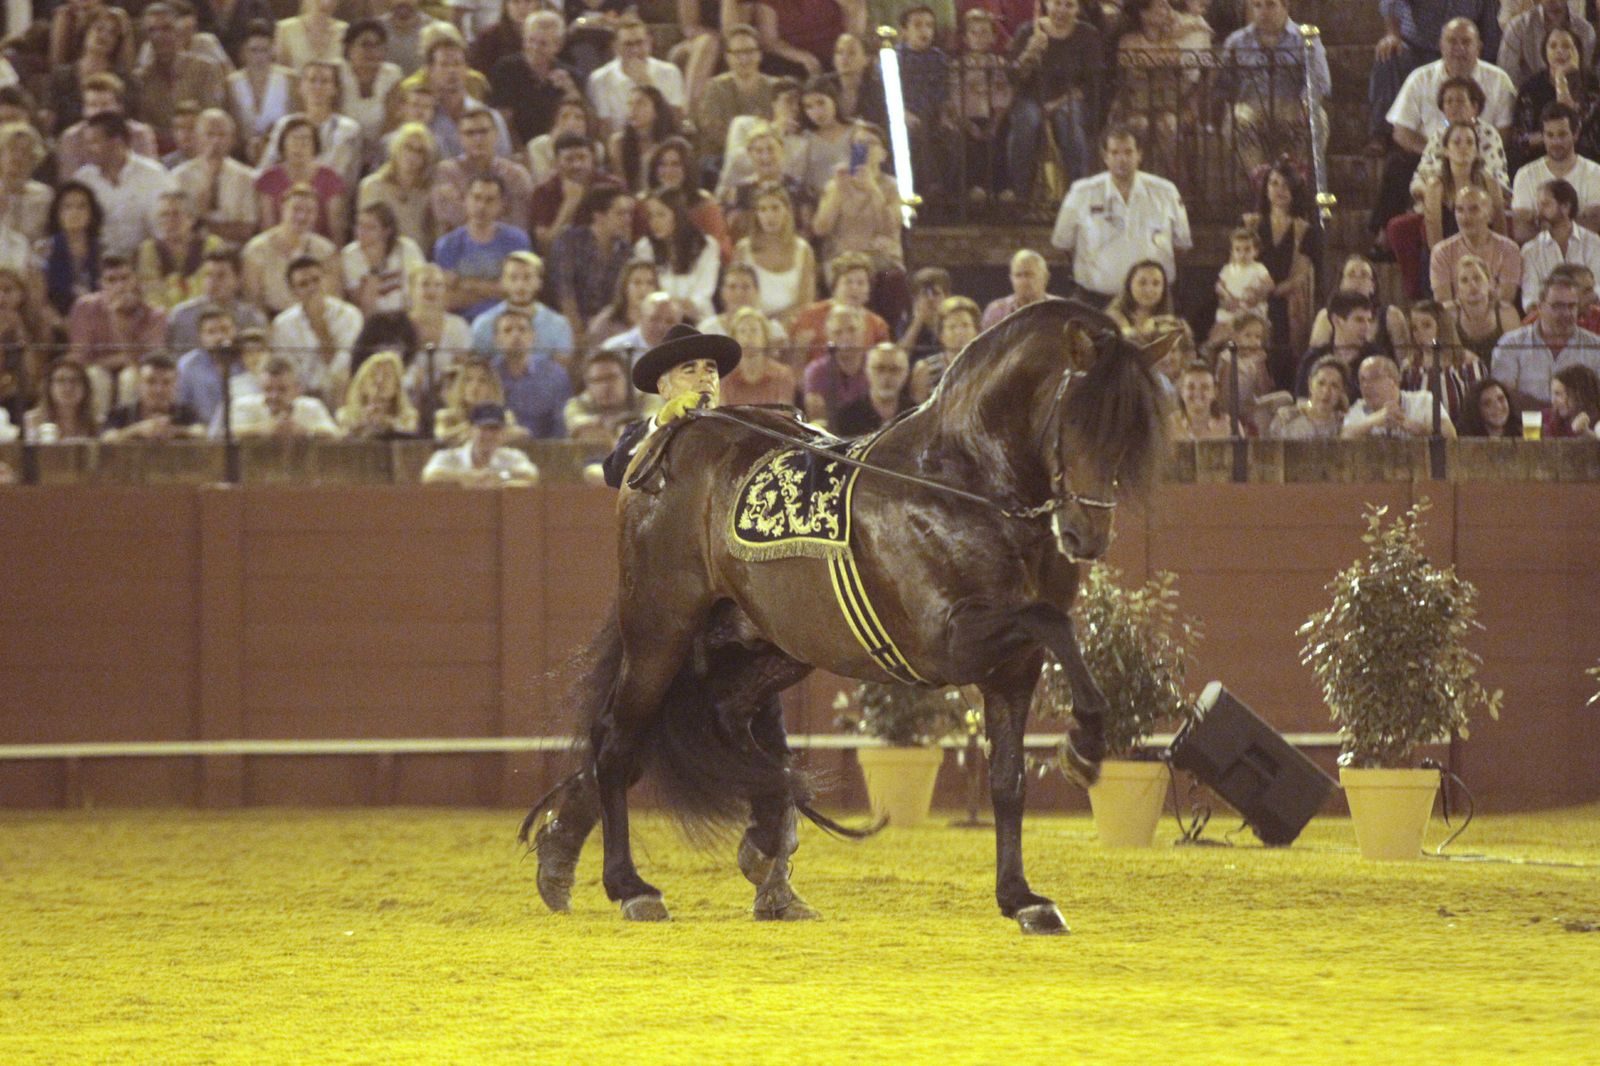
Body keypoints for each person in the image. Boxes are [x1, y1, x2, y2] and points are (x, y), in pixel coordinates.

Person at [1051, 126, 1193, 305]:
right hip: (1095, 301)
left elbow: (1181, 245)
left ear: (1139, 154)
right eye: (1115, 152)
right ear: (1105, 157)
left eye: (1128, 152)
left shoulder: (1165, 192)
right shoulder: (1082, 193)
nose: (1122, 159)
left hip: (1152, 304)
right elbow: (1064, 244)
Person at [601, 322, 741, 488]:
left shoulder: (739, 430)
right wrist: (660, 422)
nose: (705, 377)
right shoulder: (644, 432)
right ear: (664, 388)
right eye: (690, 371)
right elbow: (617, 474)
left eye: (711, 370)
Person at [1218, 0, 1331, 176]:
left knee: (1318, 120)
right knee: (1236, 121)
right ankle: (1260, 179)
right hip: (1251, 104)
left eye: (1270, 5)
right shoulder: (1237, 41)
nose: (1263, 12)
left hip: (1292, 103)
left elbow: (1320, 79)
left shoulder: (1306, 37)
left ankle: (1294, 178)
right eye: (1257, 5)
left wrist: (1307, 102)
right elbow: (1224, 83)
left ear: (1286, 5)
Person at [1005, 0, 1102, 202]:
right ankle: (1022, 195)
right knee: (1026, 122)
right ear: (1047, 4)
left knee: (1070, 124)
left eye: (1069, 5)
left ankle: (1078, 196)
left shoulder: (1087, 34)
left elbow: (1091, 83)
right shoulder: (1028, 30)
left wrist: (1056, 104)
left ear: (1078, 9)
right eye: (1057, 3)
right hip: (1031, 98)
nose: (1062, 10)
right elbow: (1013, 77)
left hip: (1068, 98)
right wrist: (1029, 53)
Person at [74, 111, 176, 259]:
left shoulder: (153, 176)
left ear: (117, 142)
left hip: (145, 263)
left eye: (94, 142)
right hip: (94, 263)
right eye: (87, 143)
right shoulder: (84, 179)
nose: (88, 149)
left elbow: (164, 228)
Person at [1491, 272, 1600, 405]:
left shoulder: (1595, 347)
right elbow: (1503, 395)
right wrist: (1551, 415)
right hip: (1525, 423)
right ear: (1540, 307)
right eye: (1557, 306)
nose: (1566, 313)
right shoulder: (1510, 344)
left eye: (1571, 306)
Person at [434, 175, 532, 321]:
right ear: (466, 200)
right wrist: (498, 289)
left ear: (501, 204)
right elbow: (447, 300)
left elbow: (522, 291)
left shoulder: (517, 241)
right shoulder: (447, 245)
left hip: (509, 322)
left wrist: (467, 284)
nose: (481, 206)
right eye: (476, 198)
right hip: (464, 324)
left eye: (490, 200)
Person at [269, 255, 364, 406]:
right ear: (293, 291)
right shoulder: (283, 324)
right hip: (301, 397)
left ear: (326, 280)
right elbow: (288, 371)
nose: (312, 287)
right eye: (303, 284)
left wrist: (320, 325)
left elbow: (343, 366)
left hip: (342, 393)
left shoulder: (349, 315)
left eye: (316, 280)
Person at [549, 186, 639, 343]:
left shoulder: (626, 251)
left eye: (629, 214)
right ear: (599, 216)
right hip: (568, 324)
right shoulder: (570, 241)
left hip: (606, 327)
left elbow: (620, 300)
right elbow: (565, 290)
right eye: (620, 213)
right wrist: (579, 332)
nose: (628, 220)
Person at [432, 109, 535, 236]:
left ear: (496, 134)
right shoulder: (446, 172)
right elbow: (447, 219)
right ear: (460, 138)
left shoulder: (515, 175)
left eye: (484, 131)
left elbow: (519, 225)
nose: (478, 139)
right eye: (470, 133)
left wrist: (464, 206)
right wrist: (499, 211)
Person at [241, 184, 338, 317]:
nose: (302, 216)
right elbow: (254, 298)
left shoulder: (325, 250)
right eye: (296, 209)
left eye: (310, 211)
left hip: (314, 317)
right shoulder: (257, 249)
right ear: (283, 209)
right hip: (272, 318)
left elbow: (332, 296)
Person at [1508, 24, 1600, 164]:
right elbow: (1519, 138)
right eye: (1553, 46)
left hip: (1586, 157)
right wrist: (1550, 139)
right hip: (1539, 158)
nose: (1559, 51)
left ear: (1578, 52)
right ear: (1545, 53)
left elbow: (1573, 124)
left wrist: (1560, 79)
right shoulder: (1531, 87)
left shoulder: (1592, 84)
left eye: (1566, 46)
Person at [489, 8, 582, 146]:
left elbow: (581, 120)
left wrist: (571, 90)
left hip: (558, 147)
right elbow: (504, 120)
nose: (535, 48)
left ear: (558, 45)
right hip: (518, 146)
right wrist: (521, 152)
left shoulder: (570, 75)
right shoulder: (506, 69)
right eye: (530, 40)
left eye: (543, 43)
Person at [1510, 102, 1600, 240]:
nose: (1556, 142)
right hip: (1538, 256)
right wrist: (1576, 222)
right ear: (1543, 137)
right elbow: (1521, 232)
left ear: (1575, 134)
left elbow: (1594, 225)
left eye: (1562, 134)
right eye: (1550, 135)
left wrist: (1544, 224)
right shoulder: (1525, 175)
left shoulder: (1595, 173)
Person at [469, 251, 574, 368]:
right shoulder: (484, 323)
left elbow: (562, 371)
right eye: (513, 278)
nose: (520, 285)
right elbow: (478, 369)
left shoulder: (559, 324)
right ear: (503, 282)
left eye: (527, 277)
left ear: (539, 282)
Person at [586, 15, 686, 135]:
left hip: (663, 140)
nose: (635, 51)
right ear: (616, 47)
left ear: (649, 42)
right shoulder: (599, 79)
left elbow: (676, 122)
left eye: (640, 43)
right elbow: (605, 128)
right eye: (628, 45)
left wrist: (647, 83)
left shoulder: (670, 72)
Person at [255, 115, 348, 243]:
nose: (300, 144)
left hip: (319, 248)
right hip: (279, 247)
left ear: (315, 144)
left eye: (306, 139)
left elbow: (336, 229)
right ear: (283, 143)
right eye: (294, 139)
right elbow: (267, 227)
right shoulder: (268, 179)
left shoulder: (330, 178)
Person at [173, 109, 258, 246]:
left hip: (233, 253)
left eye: (222, 135)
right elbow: (177, 227)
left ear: (232, 139)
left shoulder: (247, 177)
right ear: (197, 138)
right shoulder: (180, 176)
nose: (216, 141)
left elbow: (246, 230)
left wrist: (201, 221)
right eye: (210, 134)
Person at [634, 187, 721, 320]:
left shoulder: (706, 245)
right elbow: (646, 292)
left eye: (661, 215)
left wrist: (676, 306)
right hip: (658, 318)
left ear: (678, 215)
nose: (654, 222)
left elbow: (703, 293)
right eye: (651, 216)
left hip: (697, 319)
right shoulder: (644, 247)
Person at [696, 25, 778, 164]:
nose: (744, 58)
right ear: (728, 57)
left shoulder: (775, 87)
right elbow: (712, 129)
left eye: (750, 51)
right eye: (738, 53)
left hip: (768, 155)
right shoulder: (715, 88)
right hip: (723, 157)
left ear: (759, 54)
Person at [1430, 185, 1521, 303]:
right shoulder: (1441, 252)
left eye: (1473, 209)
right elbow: (1443, 302)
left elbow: (1505, 300)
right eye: (1460, 210)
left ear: (1489, 215)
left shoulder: (1509, 249)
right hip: (1456, 318)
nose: (1465, 217)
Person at [134, 191, 223, 312]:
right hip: (163, 318)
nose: (170, 221)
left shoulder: (211, 245)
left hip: (206, 313)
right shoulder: (149, 250)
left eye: (176, 214)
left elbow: (214, 287)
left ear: (191, 218)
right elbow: (151, 293)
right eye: (164, 215)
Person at [359, 121, 439, 253]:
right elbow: (365, 230)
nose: (412, 155)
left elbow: (435, 237)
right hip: (379, 258)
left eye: (420, 151)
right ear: (396, 149)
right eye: (408, 147)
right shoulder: (372, 186)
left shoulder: (429, 192)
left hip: (417, 261)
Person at [492, 307, 572, 439]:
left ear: (533, 336)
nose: (516, 335)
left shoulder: (554, 374)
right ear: (497, 340)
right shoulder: (488, 374)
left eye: (522, 329)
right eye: (508, 330)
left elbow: (561, 424)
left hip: (547, 450)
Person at [1520, 178, 1600, 309]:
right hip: (1549, 319)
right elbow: (1530, 298)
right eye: (1538, 205)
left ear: (1565, 207)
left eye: (1545, 205)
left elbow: (1599, 288)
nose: (1538, 212)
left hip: (1590, 314)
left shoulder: (1593, 242)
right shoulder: (1530, 250)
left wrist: (1577, 305)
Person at [1400, 298, 1484, 423]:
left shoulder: (1470, 364)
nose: (1419, 333)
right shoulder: (1409, 367)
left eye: (1426, 325)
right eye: (1414, 328)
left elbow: (1480, 409)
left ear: (1442, 327)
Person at [422, 400, 540, 485]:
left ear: (503, 433)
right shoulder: (450, 457)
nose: (488, 435)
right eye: (483, 428)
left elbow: (531, 474)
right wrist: (462, 477)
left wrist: (501, 476)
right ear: (470, 430)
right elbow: (429, 475)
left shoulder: (511, 456)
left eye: (494, 429)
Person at [227, 19, 296, 163]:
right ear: (243, 52)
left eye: (264, 50)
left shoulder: (290, 79)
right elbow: (232, 127)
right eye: (253, 50)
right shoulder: (231, 83)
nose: (259, 57)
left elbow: (294, 121)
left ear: (272, 50)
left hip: (282, 155)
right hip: (242, 156)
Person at [223, 355, 342, 438]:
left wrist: (304, 432)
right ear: (260, 387)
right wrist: (262, 430)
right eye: (268, 389)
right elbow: (225, 435)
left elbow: (335, 434)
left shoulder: (311, 407)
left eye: (282, 389)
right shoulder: (245, 406)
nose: (274, 395)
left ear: (297, 389)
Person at [1343, 352, 1458, 438]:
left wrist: (1416, 427)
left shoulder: (1423, 400)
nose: (1366, 385)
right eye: (1362, 380)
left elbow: (1450, 435)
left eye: (1375, 378)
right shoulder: (1359, 407)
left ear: (1395, 380)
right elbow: (1344, 436)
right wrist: (1377, 419)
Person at [564, 349, 660, 450]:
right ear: (588, 386)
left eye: (611, 377)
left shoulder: (646, 397)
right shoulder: (578, 404)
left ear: (627, 378)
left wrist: (611, 426)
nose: (605, 386)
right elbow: (577, 424)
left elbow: (656, 421)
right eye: (597, 380)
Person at [342, 202, 426, 316]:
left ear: (386, 231)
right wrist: (374, 267)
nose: (361, 232)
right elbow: (363, 305)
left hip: (408, 316)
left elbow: (420, 288)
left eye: (370, 227)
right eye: (359, 225)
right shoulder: (349, 255)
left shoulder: (407, 248)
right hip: (373, 321)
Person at [1296, 288, 1379, 400]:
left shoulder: (1376, 357)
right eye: (1359, 320)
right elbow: (1302, 399)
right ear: (1337, 321)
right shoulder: (1314, 357)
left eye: (1369, 320)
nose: (1366, 327)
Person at [175, 306, 253, 425]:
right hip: (200, 436)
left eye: (225, 330)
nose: (219, 337)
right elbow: (181, 405)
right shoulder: (188, 365)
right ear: (201, 337)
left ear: (235, 331)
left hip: (245, 432)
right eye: (211, 332)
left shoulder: (247, 360)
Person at [101, 353, 204, 441]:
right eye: (150, 382)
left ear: (176, 385)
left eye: (166, 382)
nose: (158, 389)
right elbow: (107, 438)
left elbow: (201, 432)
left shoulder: (186, 412)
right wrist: (138, 430)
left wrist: (174, 431)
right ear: (139, 384)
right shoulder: (120, 414)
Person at [1445, 252, 1524, 365]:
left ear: (1490, 283)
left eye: (1477, 278)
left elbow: (1517, 359)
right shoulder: (1449, 313)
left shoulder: (1506, 313)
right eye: (1464, 280)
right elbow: (1448, 358)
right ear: (1457, 289)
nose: (1472, 285)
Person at [1499, 0, 1595, 91]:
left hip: (1576, 95)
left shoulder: (1585, 30)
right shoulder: (1517, 27)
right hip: (1531, 96)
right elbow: (1507, 78)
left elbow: (1585, 75)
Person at [433, 355, 528, 445]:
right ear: (461, 385)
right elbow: (441, 437)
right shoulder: (447, 416)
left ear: (492, 387)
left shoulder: (503, 415)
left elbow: (522, 434)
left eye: (482, 381)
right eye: (468, 380)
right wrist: (474, 426)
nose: (475, 386)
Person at [719, 306, 797, 406]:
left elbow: (784, 416)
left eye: (754, 330)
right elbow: (722, 417)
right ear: (734, 339)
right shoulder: (724, 377)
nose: (748, 336)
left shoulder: (782, 375)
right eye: (742, 331)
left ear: (765, 337)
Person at [336, 348, 418, 437]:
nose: (379, 380)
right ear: (362, 384)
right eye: (373, 374)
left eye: (387, 375)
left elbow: (410, 440)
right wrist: (359, 427)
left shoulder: (409, 417)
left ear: (397, 386)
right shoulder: (345, 416)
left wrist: (389, 426)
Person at [833, 341, 910, 435]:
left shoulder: (916, 414)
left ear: (906, 373)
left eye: (895, 370)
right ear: (867, 371)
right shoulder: (847, 416)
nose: (887, 377)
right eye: (880, 369)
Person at [1269, 355, 1350, 439]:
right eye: (1321, 383)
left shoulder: (1346, 425)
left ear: (1342, 390)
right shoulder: (1286, 421)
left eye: (1334, 386)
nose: (1326, 391)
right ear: (1310, 384)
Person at [1213, 227, 1274, 338]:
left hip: (1251, 307)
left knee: (1249, 321)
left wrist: (1256, 292)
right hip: (1232, 306)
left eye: (1247, 249)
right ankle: (1216, 345)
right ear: (1232, 252)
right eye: (1238, 250)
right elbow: (1218, 286)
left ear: (1255, 251)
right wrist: (1227, 296)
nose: (1242, 254)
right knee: (1224, 324)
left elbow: (1269, 284)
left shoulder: (1258, 268)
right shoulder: (1228, 268)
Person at [589, 259, 662, 346]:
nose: (644, 289)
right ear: (625, 287)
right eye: (637, 283)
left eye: (650, 283)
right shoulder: (605, 322)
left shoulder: (663, 322)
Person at [25, 359, 100, 442]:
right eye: (61, 380)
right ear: (49, 387)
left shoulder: (96, 423)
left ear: (85, 388)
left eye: (74, 381)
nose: (68, 387)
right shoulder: (34, 420)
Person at [980, 250, 1050, 329]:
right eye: (1018, 275)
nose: (1023, 281)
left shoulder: (1059, 309)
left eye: (1029, 274)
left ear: (1045, 277)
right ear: (1011, 279)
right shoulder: (996, 312)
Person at [1169, 361, 1238, 440]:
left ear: (1214, 392)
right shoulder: (1168, 426)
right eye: (1191, 387)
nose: (1197, 393)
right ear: (1181, 392)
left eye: (1204, 387)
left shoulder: (1230, 426)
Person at [1543, 362, 1600, 436]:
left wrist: (1586, 432)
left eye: (1558, 394)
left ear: (1579, 395)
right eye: (1552, 394)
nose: (1553, 401)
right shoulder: (1549, 419)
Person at [1456, 375, 1522, 435]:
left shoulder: (1522, 435)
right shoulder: (1464, 442)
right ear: (1476, 410)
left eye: (1501, 399)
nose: (1498, 406)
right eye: (1487, 403)